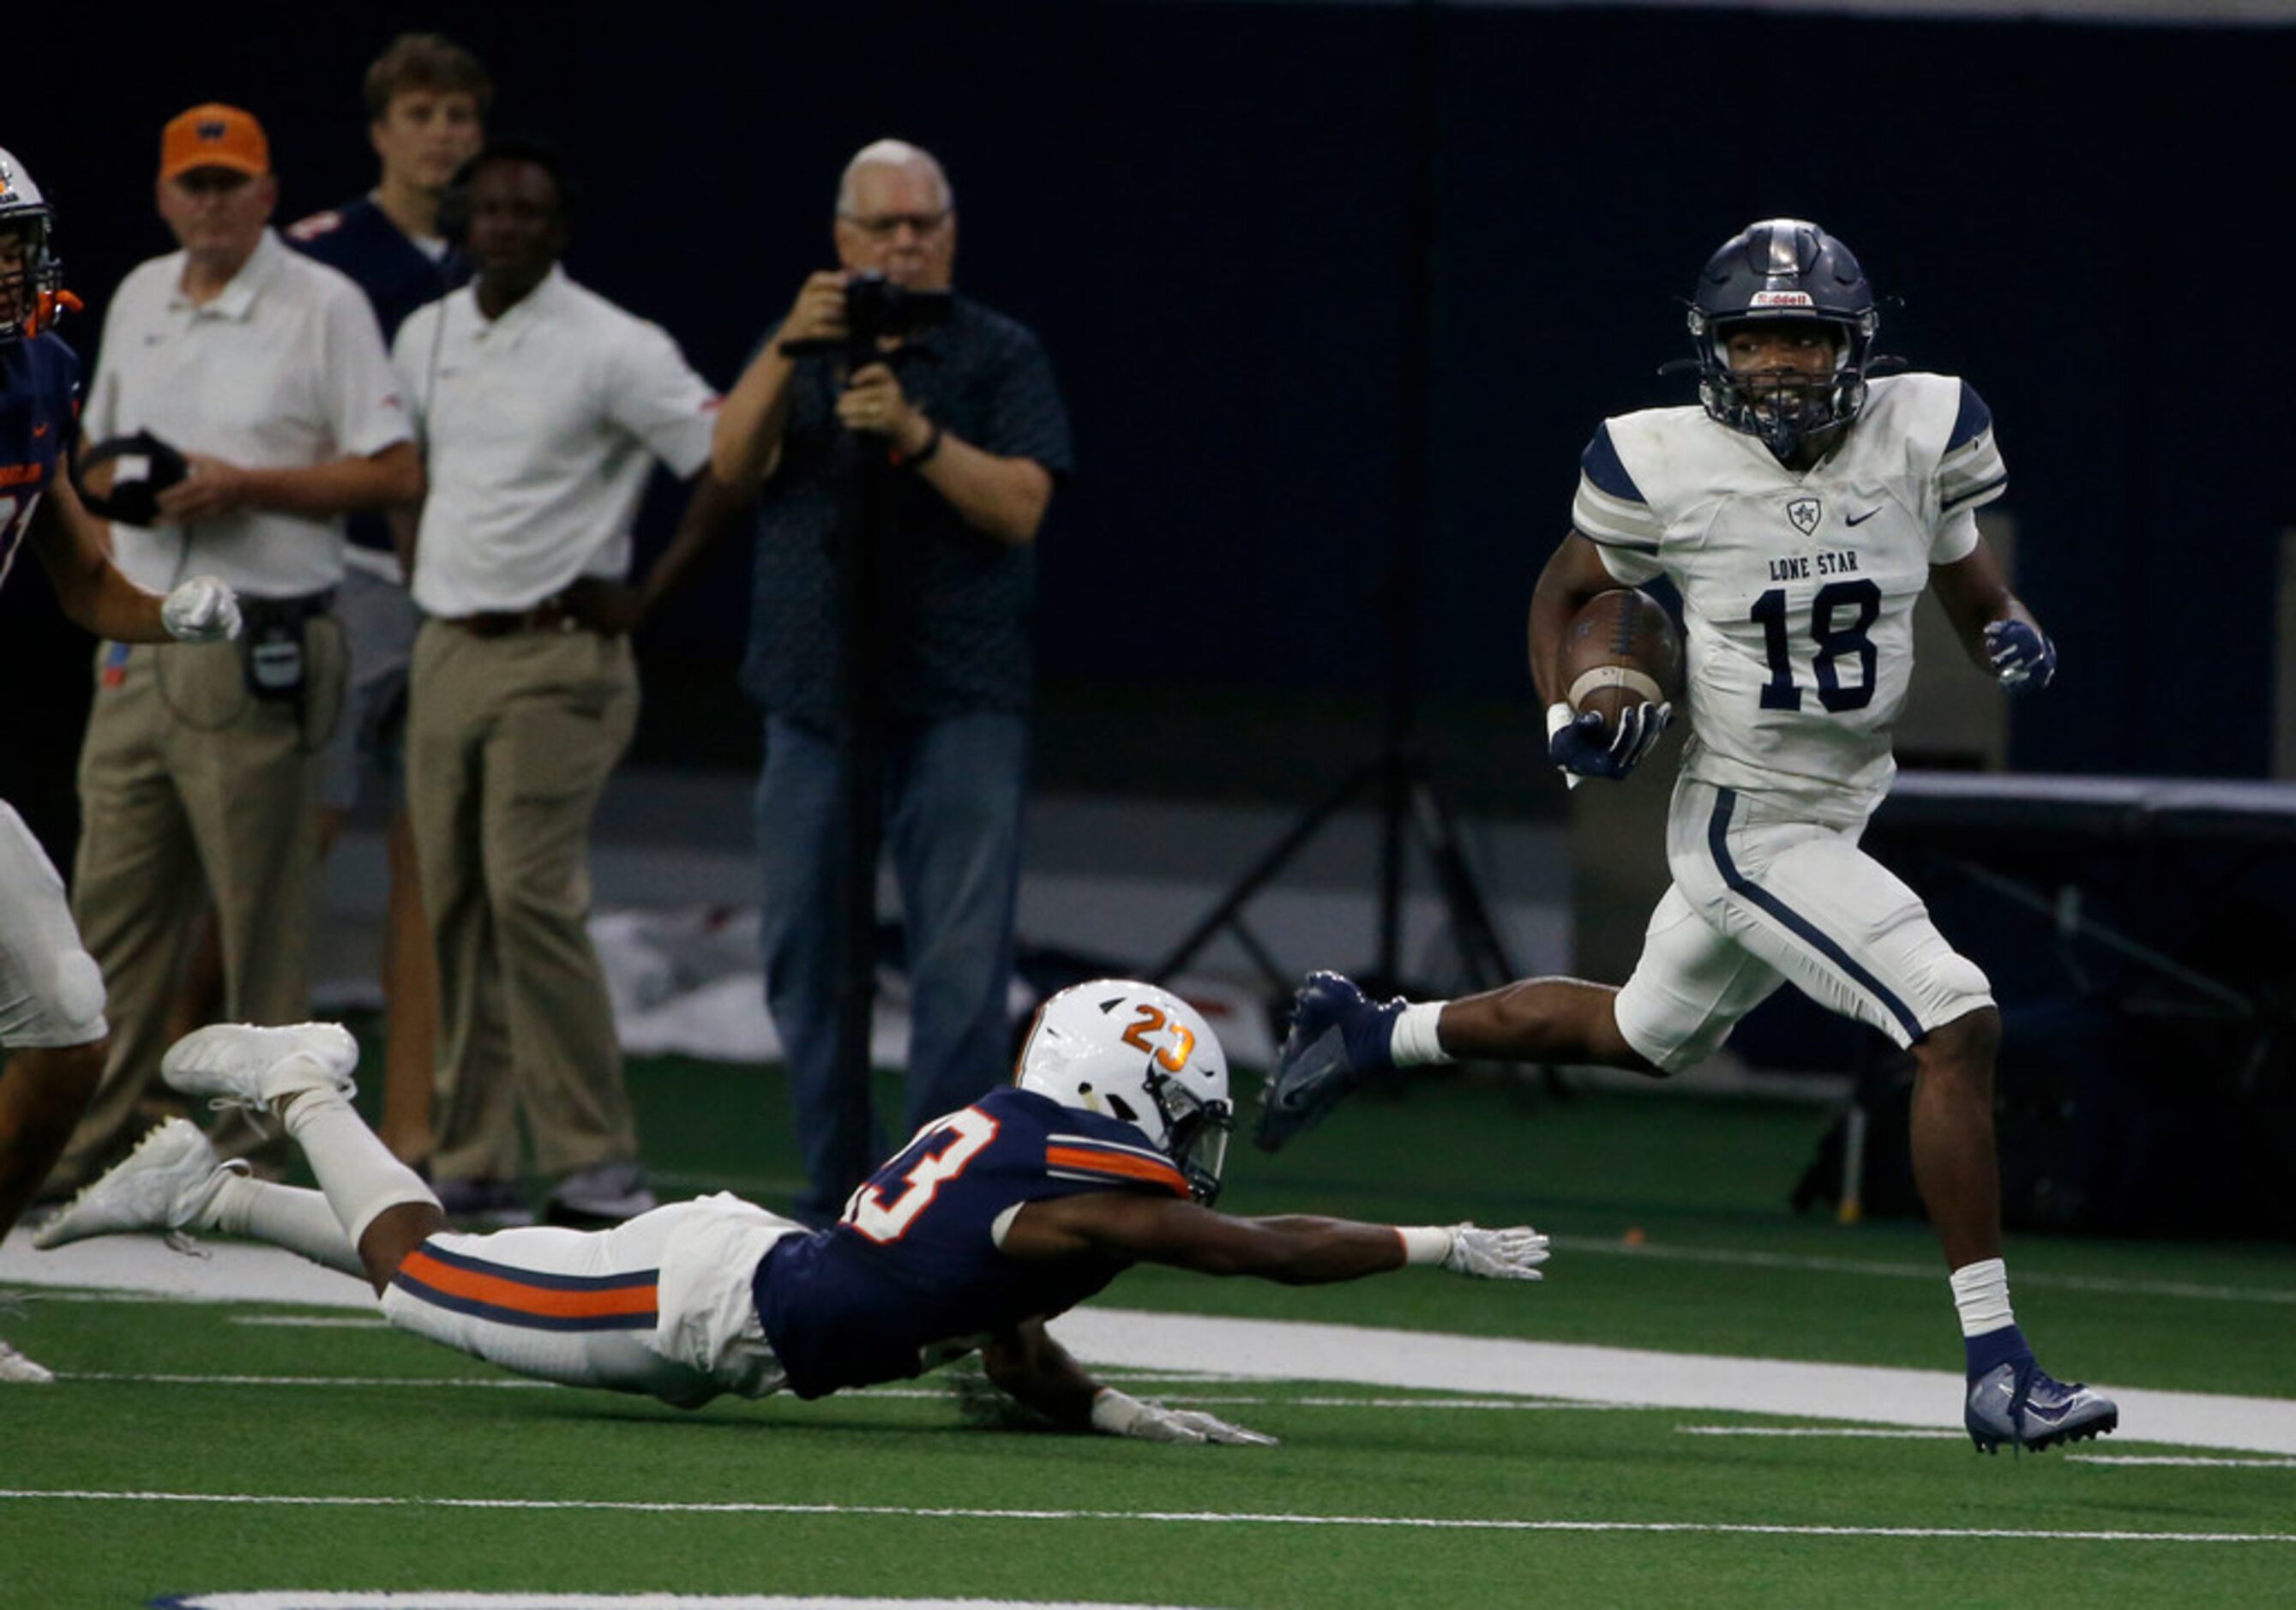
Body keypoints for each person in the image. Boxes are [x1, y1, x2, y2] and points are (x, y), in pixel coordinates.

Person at [1257, 219, 2115, 1457]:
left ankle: (1369, 1029)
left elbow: (1955, 557)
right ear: (1712, 350)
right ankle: (1997, 1364)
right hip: (1744, 817)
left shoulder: (1923, 428)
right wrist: (1571, 709)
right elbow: (1570, 591)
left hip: (1841, 794)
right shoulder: (1657, 460)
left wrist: (2004, 622)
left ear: (1853, 347)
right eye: (1755, 339)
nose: (1778, 364)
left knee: (1641, 1031)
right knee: (1954, 1011)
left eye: (1803, 338)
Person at [36, 980, 1548, 1433]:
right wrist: (1433, 1243)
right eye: (1184, 1108)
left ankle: (216, 1197)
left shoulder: (1034, 1171)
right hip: (701, 1295)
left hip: (731, 1289)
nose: (1192, 1143)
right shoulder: (1087, 1194)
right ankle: (306, 1089)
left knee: (456, 1267)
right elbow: (1258, 1251)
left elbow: (1004, 1330)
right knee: (426, 1270)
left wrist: (1105, 1415)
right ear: (1124, 1088)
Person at [44, 104, 421, 1200]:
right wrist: (111, 602)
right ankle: (88, 1146)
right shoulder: (141, 294)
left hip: (259, 643)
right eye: (193, 184)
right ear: (166, 196)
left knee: (261, 920)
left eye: (231, 184)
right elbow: (93, 463)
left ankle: (255, 1159)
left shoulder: (323, 302)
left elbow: (393, 471)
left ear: (266, 193)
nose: (211, 203)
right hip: (143, 638)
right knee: (107, 912)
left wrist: (244, 484)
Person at [709, 137, 1073, 1225]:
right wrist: (789, 343)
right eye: (883, 227)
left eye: (923, 225)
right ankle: (836, 1187)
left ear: (951, 234)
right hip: (813, 697)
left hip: (959, 695)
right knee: (804, 958)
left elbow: (1019, 505)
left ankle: (937, 1204)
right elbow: (728, 466)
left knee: (959, 965)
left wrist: (914, 434)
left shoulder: (999, 354)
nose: (905, 244)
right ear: (842, 240)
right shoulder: (798, 350)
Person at [394, 137, 735, 1229]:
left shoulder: (617, 346)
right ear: (461, 221)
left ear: (560, 229)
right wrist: (420, 563)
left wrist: (644, 598)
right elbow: (408, 466)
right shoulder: (428, 330)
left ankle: (597, 1163)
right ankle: (474, 1156)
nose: (502, 226)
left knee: (529, 895)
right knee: (454, 902)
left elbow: (725, 458)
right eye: (485, 209)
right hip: (449, 642)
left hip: (559, 652)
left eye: (525, 212)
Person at [0, 146, 243, 1383]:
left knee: (68, 1024)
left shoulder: (36, 370)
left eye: (15, 240)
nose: (12, 269)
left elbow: (85, 579)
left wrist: (172, 613)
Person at [265, 33, 490, 1169]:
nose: (442, 133)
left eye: (459, 114)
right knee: (286, 842)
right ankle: (225, 1103)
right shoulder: (325, 259)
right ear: (380, 129)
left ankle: (412, 1124)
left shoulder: (495, 256)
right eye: (422, 113)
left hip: (455, 588)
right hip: (350, 578)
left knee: (430, 860)